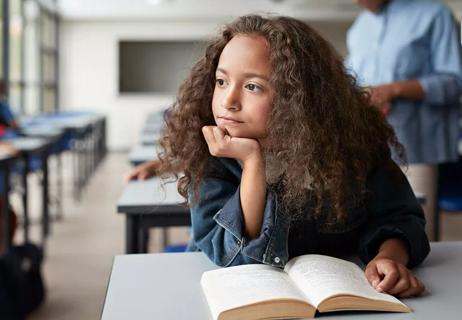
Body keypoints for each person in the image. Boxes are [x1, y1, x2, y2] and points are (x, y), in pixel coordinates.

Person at [157, 15, 430, 297]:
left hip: (340, 298)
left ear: (300, 97)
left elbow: (400, 218)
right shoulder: (211, 157)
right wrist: (253, 164)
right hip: (232, 298)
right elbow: (234, 256)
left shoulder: (355, 148)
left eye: (253, 86)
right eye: (222, 81)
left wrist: (390, 258)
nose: (228, 101)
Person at [347, 0, 462, 240]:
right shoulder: (359, 28)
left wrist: (395, 89)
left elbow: (453, 83)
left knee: (418, 236)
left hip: (418, 150)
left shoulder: (434, 15)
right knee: (380, 236)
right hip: (371, 154)